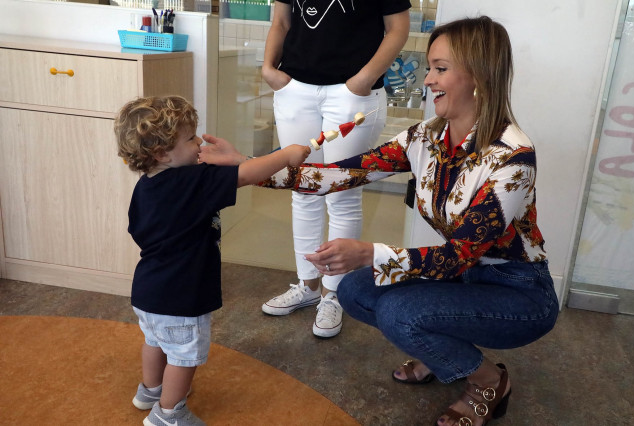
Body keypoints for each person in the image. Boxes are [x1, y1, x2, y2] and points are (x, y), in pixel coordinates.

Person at [200, 16, 560, 426]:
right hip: (462, 279)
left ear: (480, 75)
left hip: (517, 293)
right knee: (355, 291)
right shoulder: (427, 136)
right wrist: (243, 167)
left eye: (440, 69)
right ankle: (441, 350)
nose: (427, 80)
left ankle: (488, 381)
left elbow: (458, 255)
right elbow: (339, 174)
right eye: (430, 68)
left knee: (399, 314)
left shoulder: (512, 156)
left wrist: (369, 252)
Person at [114, 95, 310, 426]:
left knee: (155, 340)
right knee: (183, 355)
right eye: (190, 138)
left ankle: (150, 390)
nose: (198, 143)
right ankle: (168, 413)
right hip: (181, 296)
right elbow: (246, 175)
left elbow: (137, 228)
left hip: (148, 290)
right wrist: (286, 155)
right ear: (163, 153)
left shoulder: (146, 186)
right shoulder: (193, 183)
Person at [259, 0, 411, 338]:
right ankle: (308, 285)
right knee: (303, 190)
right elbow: (281, 22)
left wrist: (364, 79)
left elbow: (398, 28)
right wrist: (269, 69)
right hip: (295, 88)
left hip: (352, 93)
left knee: (342, 194)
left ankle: (334, 294)